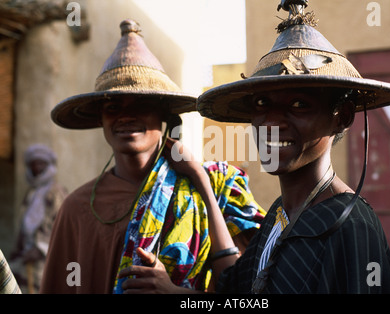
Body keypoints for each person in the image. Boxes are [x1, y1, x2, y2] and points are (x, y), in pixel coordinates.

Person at [137, 1, 390, 293]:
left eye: (298, 105)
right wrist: (201, 180)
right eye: (262, 104)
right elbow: (235, 289)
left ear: (341, 117)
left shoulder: (349, 225)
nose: (271, 122)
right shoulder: (280, 215)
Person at [40, 19, 265, 294]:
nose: (126, 115)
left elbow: (241, 290)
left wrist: (199, 179)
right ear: (101, 118)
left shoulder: (216, 186)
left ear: (165, 117)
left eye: (142, 104)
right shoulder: (76, 209)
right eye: (113, 106)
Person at [9, 144, 67, 293]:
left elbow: (61, 224)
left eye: (41, 163)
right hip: (26, 257)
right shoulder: (31, 193)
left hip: (46, 257)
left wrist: (40, 248)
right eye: (34, 164)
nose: (37, 168)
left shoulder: (56, 192)